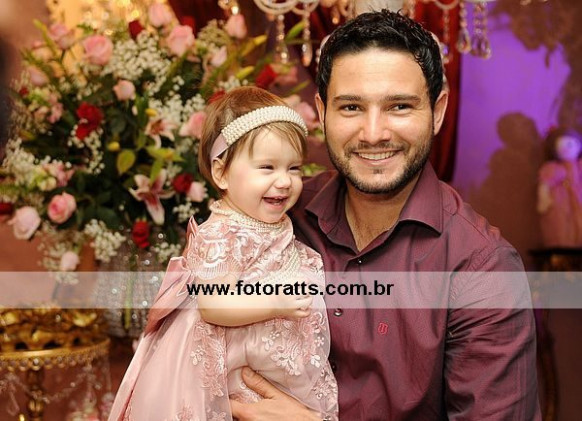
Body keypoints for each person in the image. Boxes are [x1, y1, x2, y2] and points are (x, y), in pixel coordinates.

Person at [231, 10, 541, 421]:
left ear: (438, 111)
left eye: (399, 106)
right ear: (322, 113)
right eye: (351, 107)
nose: (374, 133)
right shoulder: (278, 216)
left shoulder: (482, 268)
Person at [108, 86, 338, 421]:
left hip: (281, 368)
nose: (285, 181)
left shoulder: (273, 224)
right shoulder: (222, 234)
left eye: (293, 168)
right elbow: (213, 305)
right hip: (234, 374)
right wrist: (274, 302)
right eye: (267, 167)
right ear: (221, 173)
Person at [537, 127, 582, 247]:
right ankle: (562, 245)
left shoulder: (579, 166)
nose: (566, 148)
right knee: (560, 222)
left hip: (579, 199)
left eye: (570, 144)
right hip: (560, 201)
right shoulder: (553, 168)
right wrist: (544, 199)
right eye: (561, 145)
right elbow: (545, 184)